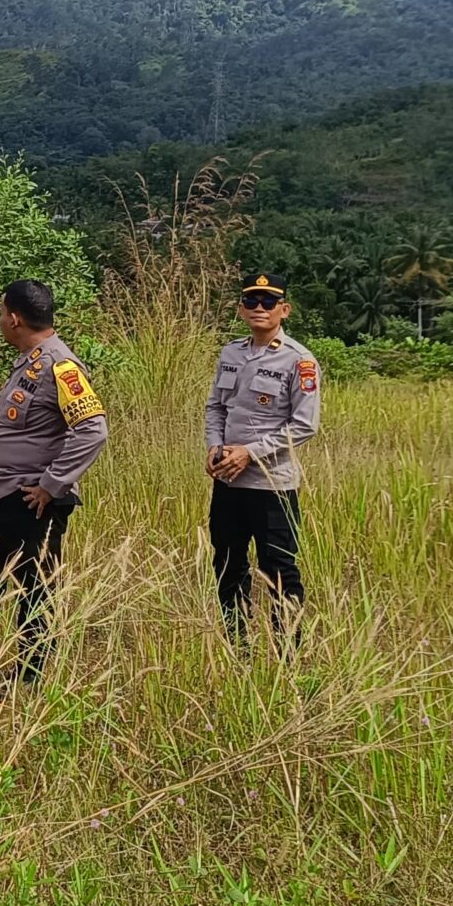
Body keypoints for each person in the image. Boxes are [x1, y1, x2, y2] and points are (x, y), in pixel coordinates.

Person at [0, 279, 109, 686]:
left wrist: (51, 485)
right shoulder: (30, 359)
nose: (0, 320)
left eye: (1, 313)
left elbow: (93, 430)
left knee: (33, 585)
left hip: (31, 499)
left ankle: (30, 677)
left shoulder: (62, 366)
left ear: (14, 318)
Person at [206, 272, 321, 649]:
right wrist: (214, 445)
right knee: (227, 566)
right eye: (251, 302)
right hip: (227, 483)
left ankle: (288, 655)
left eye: (268, 302)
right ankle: (237, 646)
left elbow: (304, 425)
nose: (259, 308)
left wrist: (249, 453)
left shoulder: (299, 361)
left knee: (280, 573)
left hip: (272, 485)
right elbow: (216, 407)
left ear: (284, 310)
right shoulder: (231, 352)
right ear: (241, 309)